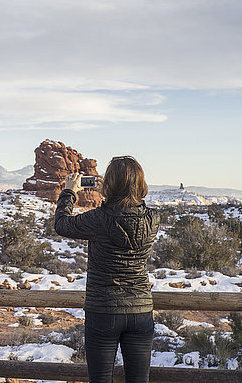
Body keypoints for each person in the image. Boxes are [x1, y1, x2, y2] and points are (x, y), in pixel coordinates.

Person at [54, 156, 159, 383]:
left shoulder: (99, 219)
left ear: (108, 183)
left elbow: (61, 224)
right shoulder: (153, 218)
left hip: (103, 310)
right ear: (141, 184)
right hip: (140, 310)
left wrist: (70, 192)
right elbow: (132, 213)